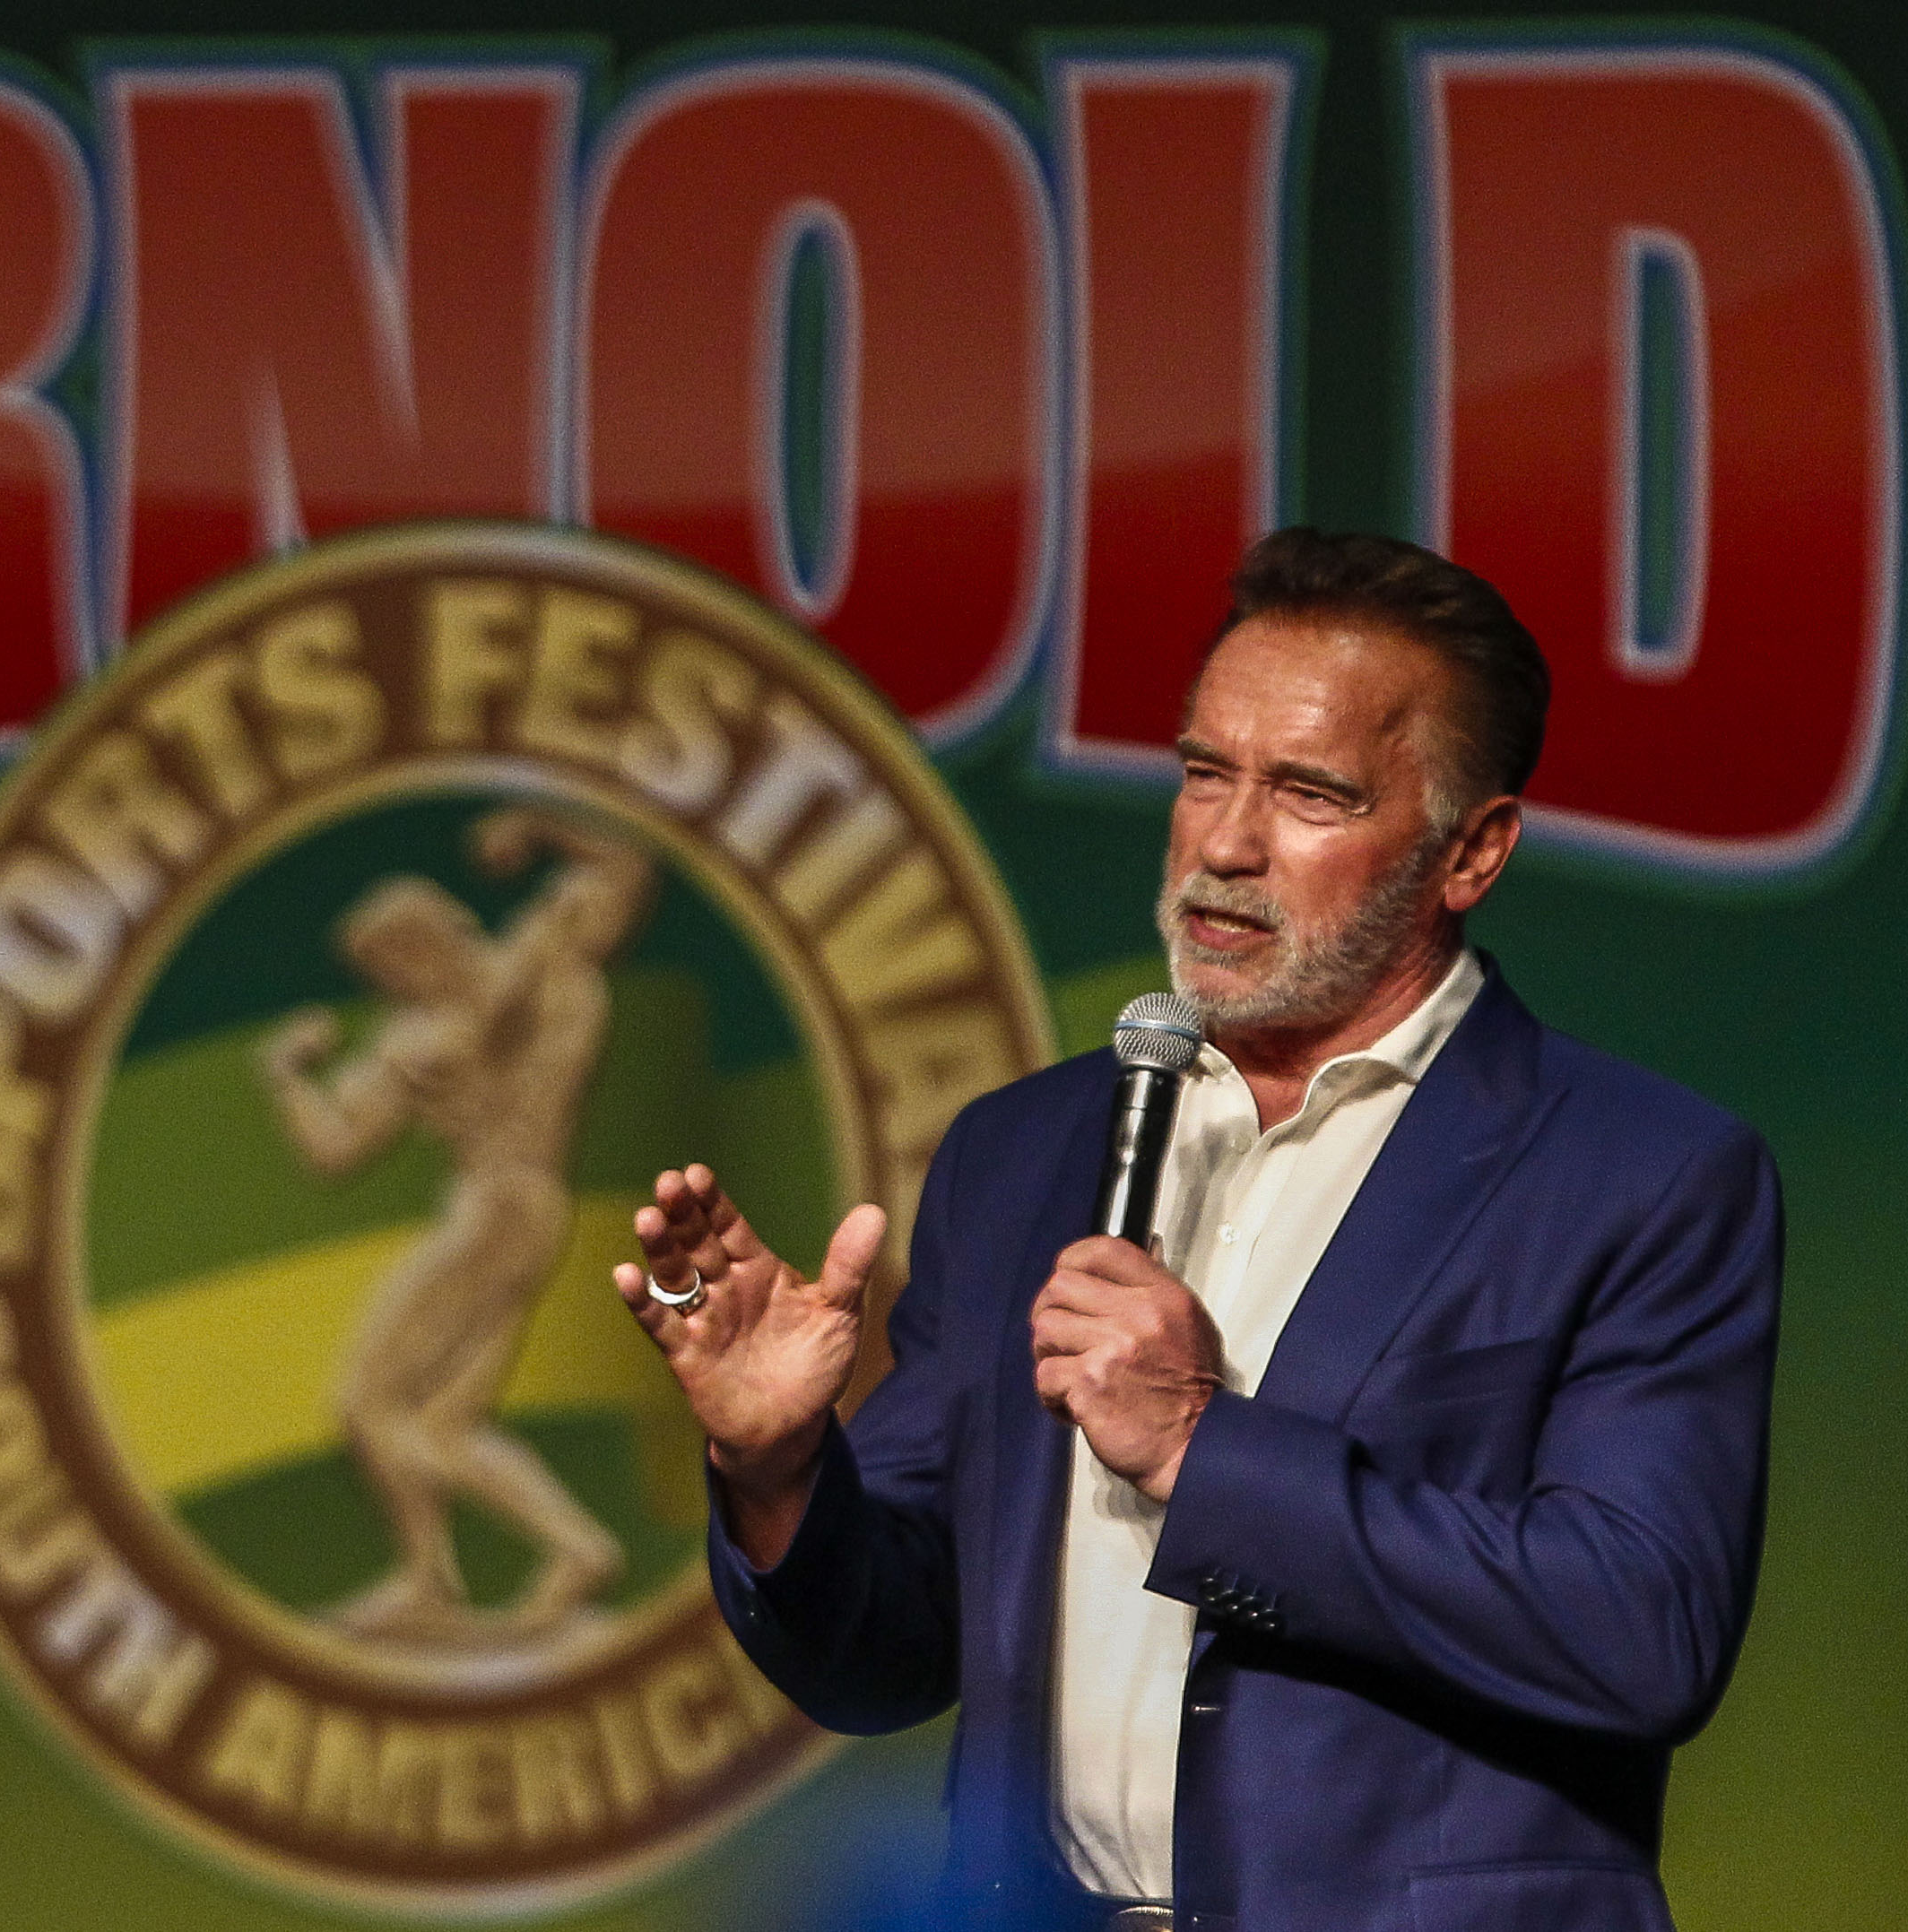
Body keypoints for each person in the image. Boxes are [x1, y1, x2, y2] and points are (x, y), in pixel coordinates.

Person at [614, 530, 1779, 1930]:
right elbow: (887, 1656)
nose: (1223, 842)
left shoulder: (1636, 1174)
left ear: (1468, 850)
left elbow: (1637, 1627)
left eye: (1306, 791)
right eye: (1200, 771)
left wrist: (1196, 1444)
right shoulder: (1019, 1151)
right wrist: (779, 1468)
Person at [264, 804, 653, 1643]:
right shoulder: (535, 964)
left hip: (492, 1212)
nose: (389, 984)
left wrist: (290, 1074)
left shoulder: (457, 1017)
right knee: (441, 1424)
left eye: (389, 965)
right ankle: (517, 1562)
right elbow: (336, 1152)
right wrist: (542, 832)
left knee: (370, 1402)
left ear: (422, 943)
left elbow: (336, 1143)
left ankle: (462, 1569)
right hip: (532, 1214)